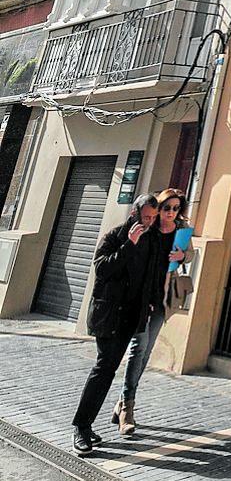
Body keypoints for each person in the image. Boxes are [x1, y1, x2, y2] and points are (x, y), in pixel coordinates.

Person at [70, 194, 170, 454]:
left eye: (152, 217)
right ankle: (81, 426)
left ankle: (87, 425)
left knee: (110, 368)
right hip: (109, 315)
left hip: (132, 316)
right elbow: (102, 270)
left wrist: (149, 304)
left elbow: (151, 276)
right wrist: (128, 245)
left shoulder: (152, 240)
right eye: (146, 217)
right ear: (134, 214)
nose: (149, 222)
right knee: (104, 368)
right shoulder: (115, 236)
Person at [112, 188, 191, 436]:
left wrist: (182, 255)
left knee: (145, 353)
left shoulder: (180, 232)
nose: (170, 213)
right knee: (138, 349)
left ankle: (121, 401)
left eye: (175, 208)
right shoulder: (148, 228)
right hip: (141, 297)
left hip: (161, 298)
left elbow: (186, 255)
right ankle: (128, 408)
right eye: (166, 208)